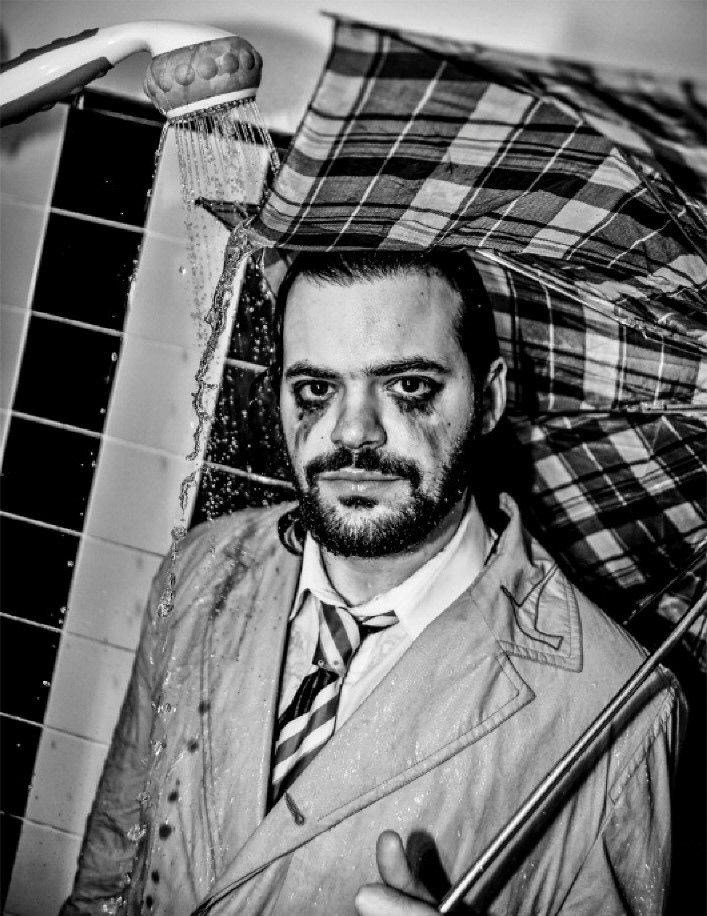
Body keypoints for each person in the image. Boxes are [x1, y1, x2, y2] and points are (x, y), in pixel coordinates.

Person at [61, 250, 685, 916]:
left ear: (489, 399)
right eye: (315, 389)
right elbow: (110, 878)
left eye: (409, 386)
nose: (353, 432)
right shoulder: (201, 567)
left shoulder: (617, 713)